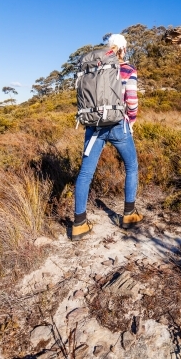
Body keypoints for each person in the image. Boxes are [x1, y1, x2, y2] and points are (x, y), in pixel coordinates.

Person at [72, 33, 143, 241]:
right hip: (118, 124)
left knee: (85, 174)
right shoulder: (128, 69)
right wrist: (130, 121)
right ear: (122, 49)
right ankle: (129, 215)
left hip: (93, 126)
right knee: (131, 166)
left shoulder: (94, 67)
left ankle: (79, 224)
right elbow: (132, 101)